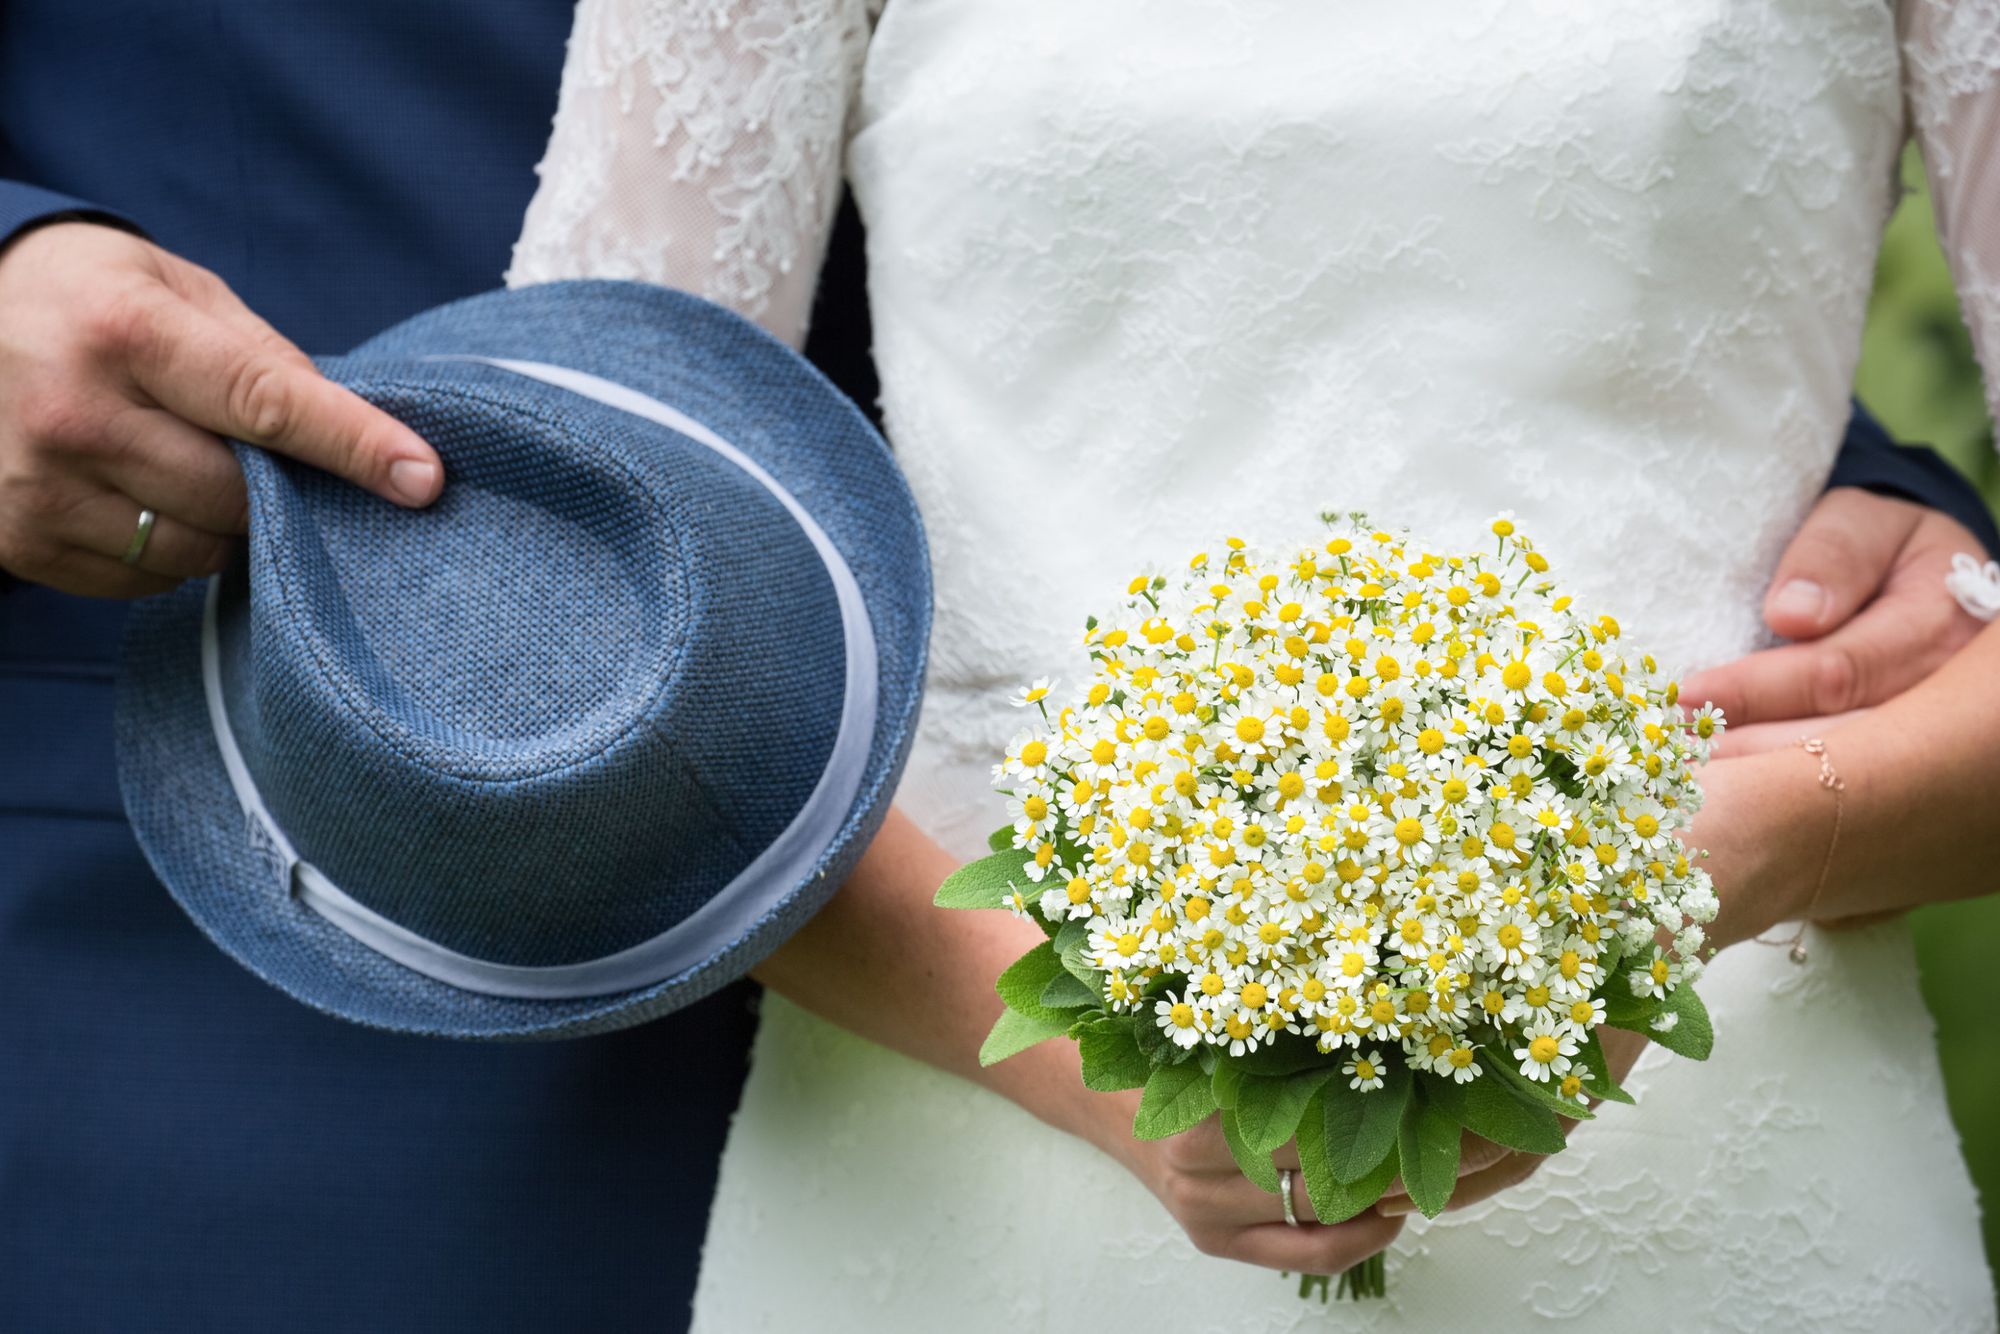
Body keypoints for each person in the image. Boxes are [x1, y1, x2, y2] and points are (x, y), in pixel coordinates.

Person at [0, 3, 1990, 1331]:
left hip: (1739, 1143)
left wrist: (1695, 859)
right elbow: (594, 603)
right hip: (949, 1086)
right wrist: (1089, 1066)